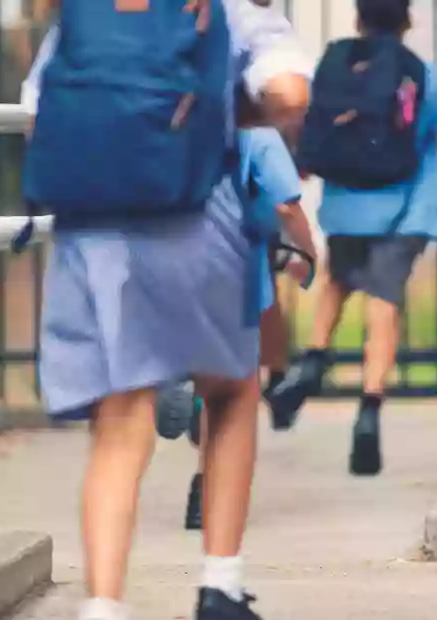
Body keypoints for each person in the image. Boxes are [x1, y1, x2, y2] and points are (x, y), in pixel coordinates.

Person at [21, 3, 313, 620]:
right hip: (197, 220)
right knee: (232, 391)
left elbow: (35, 116)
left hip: (94, 232)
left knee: (120, 419)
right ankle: (221, 587)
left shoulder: (85, 15)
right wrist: (234, 112)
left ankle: (103, 605)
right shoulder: (231, 12)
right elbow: (289, 91)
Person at [267, 0, 437, 477]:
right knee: (384, 303)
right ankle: (368, 410)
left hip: (345, 207)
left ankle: (315, 357)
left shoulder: (337, 64)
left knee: (337, 282)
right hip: (403, 212)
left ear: (358, 19)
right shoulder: (419, 73)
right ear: (406, 21)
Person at [158, 126, 316, 532]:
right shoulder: (258, 136)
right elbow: (287, 208)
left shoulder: (164, 112)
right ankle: (203, 492)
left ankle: (175, 383)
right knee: (226, 389)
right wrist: (307, 254)